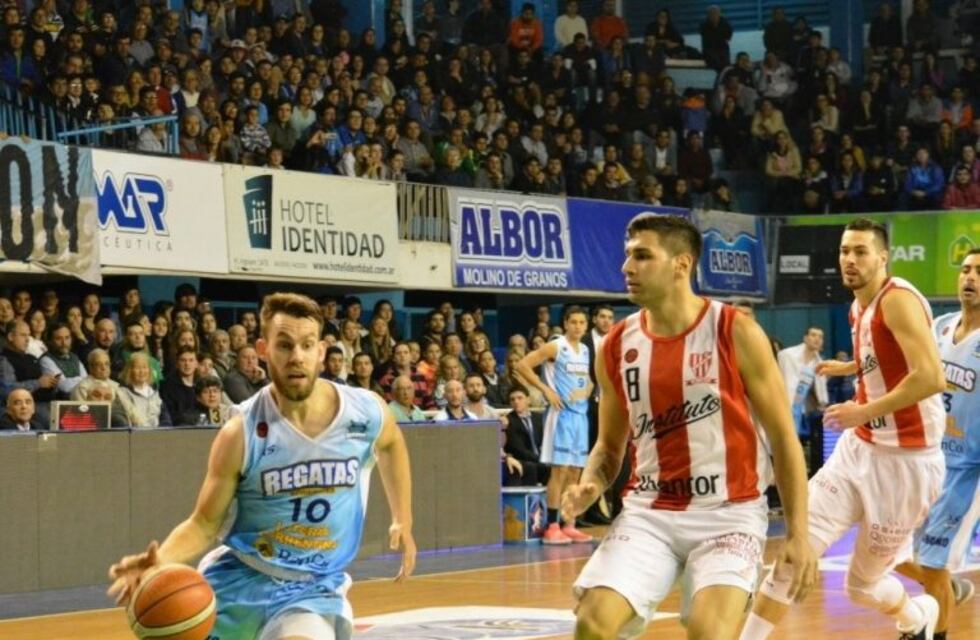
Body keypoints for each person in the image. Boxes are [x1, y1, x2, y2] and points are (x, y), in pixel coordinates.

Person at [563, 214, 815, 639]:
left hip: (729, 513)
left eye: (642, 256)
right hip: (649, 513)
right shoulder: (615, 345)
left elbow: (783, 440)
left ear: (681, 264)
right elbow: (608, 448)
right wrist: (592, 482)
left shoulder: (735, 331)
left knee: (708, 632)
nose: (627, 267)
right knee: (592, 624)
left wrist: (798, 534)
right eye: (627, 256)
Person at [108, 293, 416, 639]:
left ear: (321, 351)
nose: (296, 357)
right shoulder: (241, 432)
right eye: (284, 345)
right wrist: (160, 561)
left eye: (307, 345)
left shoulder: (364, 411)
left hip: (312, 588)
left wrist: (402, 519)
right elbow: (204, 523)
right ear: (263, 349)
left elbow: (391, 445)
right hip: (240, 578)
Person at [740, 218, 946, 640]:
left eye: (861, 252)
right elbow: (885, 353)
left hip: (906, 464)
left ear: (883, 257)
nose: (849, 260)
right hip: (857, 452)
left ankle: (918, 615)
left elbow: (930, 377)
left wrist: (863, 410)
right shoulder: (857, 306)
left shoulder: (898, 300)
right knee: (793, 556)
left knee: (862, 587)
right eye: (844, 251)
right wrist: (851, 367)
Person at [893, 248, 980, 640]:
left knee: (932, 560)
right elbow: (902, 364)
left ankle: (930, 629)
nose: (970, 277)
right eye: (965, 269)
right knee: (887, 553)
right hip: (927, 460)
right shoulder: (940, 325)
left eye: (979, 271)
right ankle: (947, 593)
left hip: (969, 472)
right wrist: (848, 367)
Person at [515, 306, 594, 545]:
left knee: (575, 471)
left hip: (580, 415)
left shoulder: (586, 350)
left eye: (582, 322)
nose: (578, 326)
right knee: (559, 471)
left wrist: (586, 391)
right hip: (560, 415)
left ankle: (569, 523)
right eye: (574, 322)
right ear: (566, 324)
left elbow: (589, 381)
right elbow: (522, 365)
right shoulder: (556, 346)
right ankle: (552, 526)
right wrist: (546, 390)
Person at [777, 327, 829, 447]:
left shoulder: (819, 363)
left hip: (801, 409)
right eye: (813, 335)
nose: (817, 339)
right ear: (805, 338)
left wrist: (822, 403)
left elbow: (821, 394)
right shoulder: (786, 355)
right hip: (783, 404)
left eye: (820, 337)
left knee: (795, 442)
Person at [503, 385, 550, 486]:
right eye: (512, 399)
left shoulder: (539, 418)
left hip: (541, 458)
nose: (516, 401)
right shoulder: (509, 421)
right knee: (532, 467)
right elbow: (519, 450)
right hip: (523, 460)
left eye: (520, 398)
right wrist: (541, 459)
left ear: (528, 400)